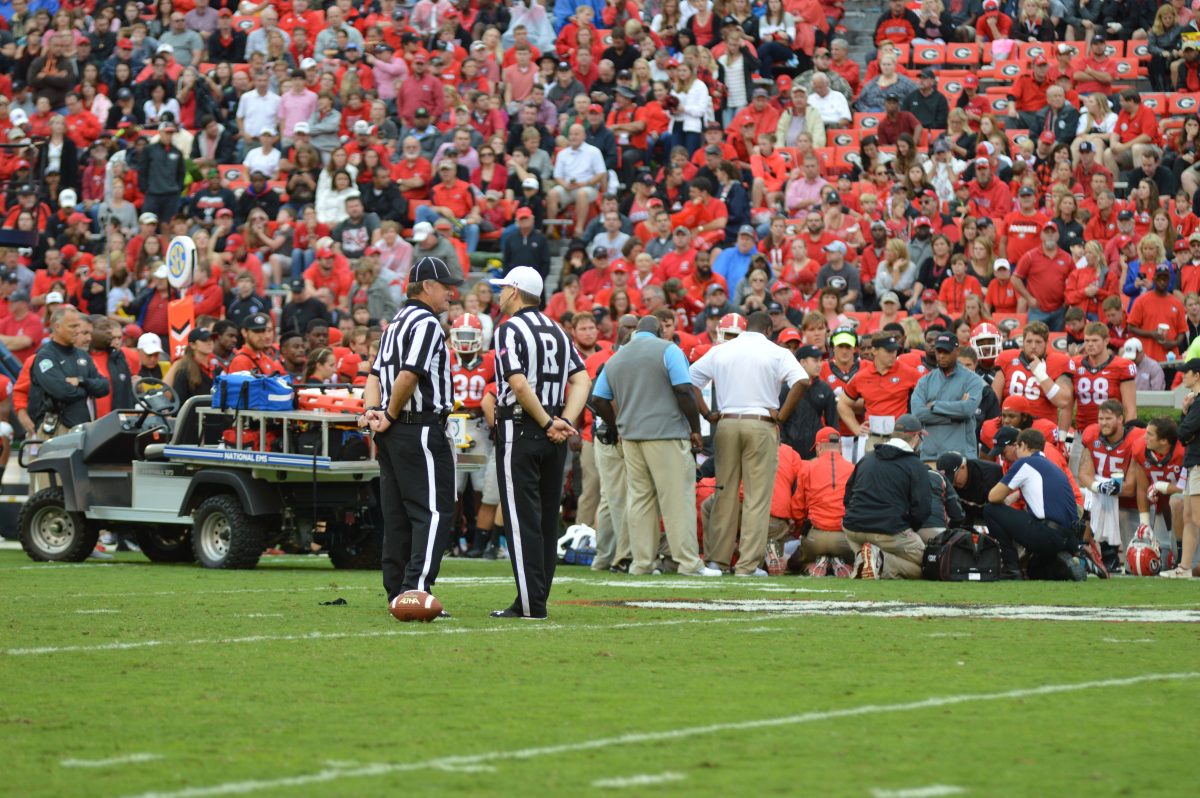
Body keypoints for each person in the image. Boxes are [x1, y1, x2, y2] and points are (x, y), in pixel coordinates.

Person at [489, 266, 591, 619]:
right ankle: (535, 599)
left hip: (521, 428)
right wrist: (565, 420)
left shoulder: (508, 329)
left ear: (515, 291)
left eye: (503, 289)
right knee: (548, 520)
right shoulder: (559, 332)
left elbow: (517, 384)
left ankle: (531, 605)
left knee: (522, 520)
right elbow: (582, 379)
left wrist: (548, 421)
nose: (499, 295)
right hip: (554, 434)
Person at [360, 256, 462, 610]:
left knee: (398, 514)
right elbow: (409, 375)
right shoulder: (426, 323)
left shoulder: (396, 323)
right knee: (433, 512)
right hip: (417, 428)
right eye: (446, 285)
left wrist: (372, 412)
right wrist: (386, 413)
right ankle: (416, 589)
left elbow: (374, 375)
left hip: (392, 433)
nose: (452, 292)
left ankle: (397, 591)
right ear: (427, 287)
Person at [591, 315, 720, 577]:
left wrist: (617, 425)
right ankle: (689, 563)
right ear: (660, 330)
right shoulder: (668, 349)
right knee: (676, 499)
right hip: (666, 435)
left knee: (640, 500)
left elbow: (598, 398)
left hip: (631, 439)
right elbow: (684, 389)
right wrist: (696, 429)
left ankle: (642, 564)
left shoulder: (616, 357)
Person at [689, 311, 809, 576]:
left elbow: (690, 380)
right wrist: (783, 414)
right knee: (756, 497)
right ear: (768, 331)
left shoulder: (723, 349)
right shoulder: (776, 351)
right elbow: (802, 381)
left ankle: (716, 561)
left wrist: (707, 413)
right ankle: (747, 565)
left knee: (724, 493)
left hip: (727, 422)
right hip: (761, 422)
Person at [986, 428, 1087, 581]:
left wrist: (1005, 500)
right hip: (1070, 536)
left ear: (1023, 445)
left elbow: (993, 496)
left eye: (1018, 447)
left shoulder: (1024, 463)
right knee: (1034, 570)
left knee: (991, 510)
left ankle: (1011, 569)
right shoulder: (1053, 466)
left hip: (1048, 534)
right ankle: (1066, 565)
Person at [841, 413, 932, 579]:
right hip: (889, 532)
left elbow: (848, 497)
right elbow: (922, 509)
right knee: (928, 565)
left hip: (853, 529)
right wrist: (907, 527)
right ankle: (881, 561)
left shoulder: (866, 459)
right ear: (915, 437)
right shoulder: (916, 466)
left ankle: (867, 557)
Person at [28, 308, 110, 437]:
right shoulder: (45, 357)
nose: (77, 331)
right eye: (72, 326)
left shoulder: (82, 355)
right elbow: (62, 391)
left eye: (77, 326)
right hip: (56, 429)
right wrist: (87, 390)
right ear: (57, 327)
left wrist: (81, 381)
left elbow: (104, 387)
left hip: (82, 428)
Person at [837, 334, 921, 460]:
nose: (893, 354)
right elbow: (843, 404)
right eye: (888, 351)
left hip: (900, 436)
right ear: (874, 351)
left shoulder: (909, 373)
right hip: (873, 437)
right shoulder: (862, 377)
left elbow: (929, 394)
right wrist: (855, 428)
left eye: (895, 350)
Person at [792, 427, 857, 575]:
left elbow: (797, 510)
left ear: (819, 447)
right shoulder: (853, 469)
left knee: (794, 562)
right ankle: (840, 562)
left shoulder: (807, 468)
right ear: (840, 446)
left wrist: (799, 531)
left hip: (815, 539)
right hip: (844, 539)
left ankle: (815, 563)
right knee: (855, 556)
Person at [910, 332, 983, 460]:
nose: (942, 356)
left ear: (957, 351)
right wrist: (954, 416)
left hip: (961, 457)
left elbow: (967, 409)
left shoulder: (973, 380)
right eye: (939, 351)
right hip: (929, 455)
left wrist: (934, 406)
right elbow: (917, 413)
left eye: (946, 352)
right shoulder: (925, 381)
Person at [1167, 358, 1200, 578]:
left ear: (1197, 375)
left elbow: (1183, 433)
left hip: (1199, 462)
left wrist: (1185, 411)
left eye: (1185, 372)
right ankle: (1184, 568)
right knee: (1188, 517)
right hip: (1193, 462)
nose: (1182, 376)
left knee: (1197, 517)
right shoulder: (1195, 402)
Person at [935, 452, 1004, 528]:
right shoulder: (950, 484)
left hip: (994, 517)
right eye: (950, 482)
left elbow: (998, 510)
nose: (953, 484)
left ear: (963, 467)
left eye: (954, 479)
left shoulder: (990, 474)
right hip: (966, 515)